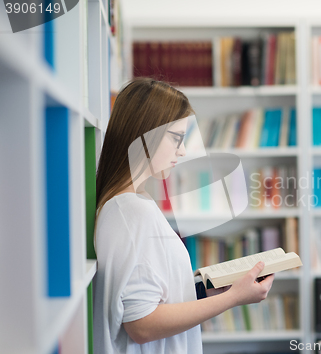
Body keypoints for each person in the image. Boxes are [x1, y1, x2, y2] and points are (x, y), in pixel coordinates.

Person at [93, 77, 275, 353]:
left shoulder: (128, 205)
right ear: (146, 135)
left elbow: (150, 291)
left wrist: (203, 290)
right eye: (176, 138)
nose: (183, 150)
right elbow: (141, 324)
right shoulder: (131, 211)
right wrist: (234, 298)